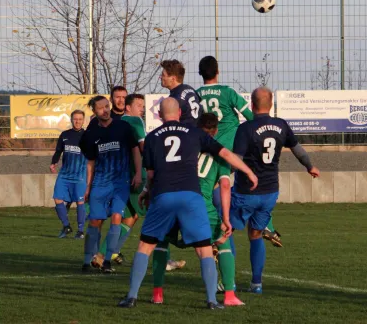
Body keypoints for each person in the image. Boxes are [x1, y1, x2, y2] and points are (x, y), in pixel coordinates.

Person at [117, 98, 258, 310]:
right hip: (191, 197)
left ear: (159, 115)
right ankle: (211, 300)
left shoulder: (153, 137)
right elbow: (226, 154)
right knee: (204, 250)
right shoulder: (194, 132)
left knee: (146, 246)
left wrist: (146, 192)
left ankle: (132, 297)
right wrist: (248, 171)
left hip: (164, 195)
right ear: (180, 114)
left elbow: (151, 175)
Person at [230, 87, 320, 294]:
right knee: (256, 234)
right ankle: (257, 284)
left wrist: (220, 172)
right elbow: (298, 149)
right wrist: (310, 167)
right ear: (271, 105)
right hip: (270, 192)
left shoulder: (246, 128)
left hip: (246, 192)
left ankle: (229, 282)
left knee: (226, 232)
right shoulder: (281, 125)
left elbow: (237, 161)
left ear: (251, 105)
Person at [150, 113, 245, 307]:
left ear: (196, 127)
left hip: (172, 202)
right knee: (222, 244)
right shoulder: (219, 155)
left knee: (161, 244)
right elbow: (225, 187)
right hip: (202, 207)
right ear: (216, 131)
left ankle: (157, 293)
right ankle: (228, 294)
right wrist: (226, 217)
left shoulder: (185, 147)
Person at [196, 55, 283, 248]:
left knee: (218, 192)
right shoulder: (227, 92)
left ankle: (219, 239)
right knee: (250, 185)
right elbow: (249, 115)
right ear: (218, 71)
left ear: (200, 73)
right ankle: (266, 225)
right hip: (234, 149)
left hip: (211, 150)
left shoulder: (197, 94)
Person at [79, 96, 142, 273]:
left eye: (107, 106)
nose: (105, 110)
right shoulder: (91, 134)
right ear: (94, 111)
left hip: (120, 182)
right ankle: (87, 260)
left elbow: (135, 150)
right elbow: (90, 162)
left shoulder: (123, 127)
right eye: (101, 108)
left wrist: (137, 173)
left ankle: (107, 261)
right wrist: (88, 186)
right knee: (95, 221)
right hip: (100, 182)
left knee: (116, 216)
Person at [50, 110, 87, 239]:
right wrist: (53, 162)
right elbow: (58, 150)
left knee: (80, 202)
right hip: (64, 174)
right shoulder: (65, 135)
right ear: (71, 120)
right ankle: (66, 226)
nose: (77, 121)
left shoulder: (87, 136)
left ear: (83, 120)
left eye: (80, 119)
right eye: (75, 119)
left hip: (80, 175)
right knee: (57, 198)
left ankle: (81, 230)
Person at [160, 60, 203, 126]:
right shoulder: (191, 90)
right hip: (197, 132)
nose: (160, 77)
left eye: (163, 75)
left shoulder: (174, 98)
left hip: (184, 133)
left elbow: (170, 123)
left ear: (173, 79)